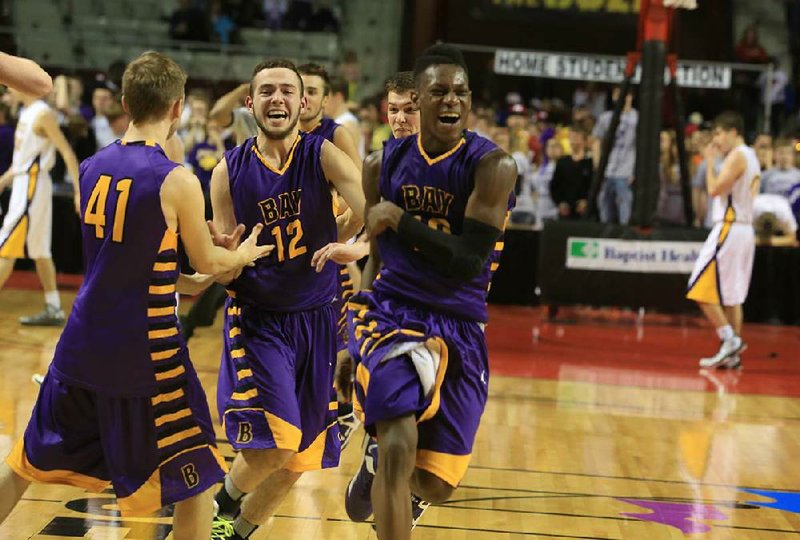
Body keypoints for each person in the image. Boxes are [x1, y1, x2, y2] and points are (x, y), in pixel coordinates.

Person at [0, 51, 271, 540]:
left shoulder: (91, 167)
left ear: (125, 102)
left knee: (24, 460)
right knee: (197, 481)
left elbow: (147, 271)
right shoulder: (177, 179)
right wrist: (240, 256)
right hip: (147, 356)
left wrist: (206, 269)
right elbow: (208, 261)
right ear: (177, 108)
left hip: (81, 344)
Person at [343, 44, 516, 538]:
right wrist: (354, 327)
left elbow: (468, 259)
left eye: (460, 92)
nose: (452, 101)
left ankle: (379, 466)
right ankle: (385, 453)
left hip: (460, 321)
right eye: (439, 91)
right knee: (399, 443)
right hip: (393, 313)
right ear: (416, 100)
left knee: (436, 484)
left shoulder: (493, 167)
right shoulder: (382, 165)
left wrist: (402, 220)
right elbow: (375, 253)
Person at [209, 59, 365, 540]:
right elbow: (221, 269)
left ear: (303, 103)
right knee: (278, 443)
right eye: (267, 91)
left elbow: (375, 215)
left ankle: (232, 534)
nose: (277, 99)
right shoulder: (226, 172)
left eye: (287, 91)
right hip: (259, 321)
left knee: (298, 459)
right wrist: (233, 260)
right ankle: (214, 506)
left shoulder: (323, 156)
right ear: (250, 103)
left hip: (317, 321)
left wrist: (351, 245)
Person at [0, 85, 80, 325]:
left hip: (33, 186)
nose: (5, 96)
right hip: (26, 183)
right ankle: (54, 306)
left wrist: (78, 192)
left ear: (22, 88)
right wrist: (4, 180)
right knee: (39, 250)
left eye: (8, 90)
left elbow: (67, 152)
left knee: (6, 245)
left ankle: (54, 306)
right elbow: (22, 160)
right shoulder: (26, 112)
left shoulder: (42, 113)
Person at [686, 112, 760, 370]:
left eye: (718, 133)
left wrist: (708, 162)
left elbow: (714, 189)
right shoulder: (752, 156)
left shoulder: (738, 155)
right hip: (743, 228)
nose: (717, 140)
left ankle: (729, 340)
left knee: (697, 284)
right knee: (732, 296)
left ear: (732, 132)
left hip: (729, 228)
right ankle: (733, 355)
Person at [592, 87, 638, 225]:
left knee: (625, 211)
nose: (621, 98)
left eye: (624, 94)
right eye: (617, 94)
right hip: (607, 170)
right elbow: (596, 140)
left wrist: (636, 171)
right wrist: (597, 165)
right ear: (613, 97)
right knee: (604, 208)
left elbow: (642, 147)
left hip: (626, 172)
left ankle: (624, 240)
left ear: (630, 97)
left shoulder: (637, 118)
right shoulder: (605, 117)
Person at [550, 125, 593, 220]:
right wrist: (560, 203)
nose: (573, 141)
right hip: (565, 212)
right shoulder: (562, 162)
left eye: (577, 138)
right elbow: (554, 185)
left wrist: (587, 201)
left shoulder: (591, 163)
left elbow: (593, 185)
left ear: (585, 141)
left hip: (585, 213)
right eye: (571, 138)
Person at [324, 77, 364, 158]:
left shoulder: (347, 125)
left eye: (326, 96)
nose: (323, 101)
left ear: (338, 97)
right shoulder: (340, 122)